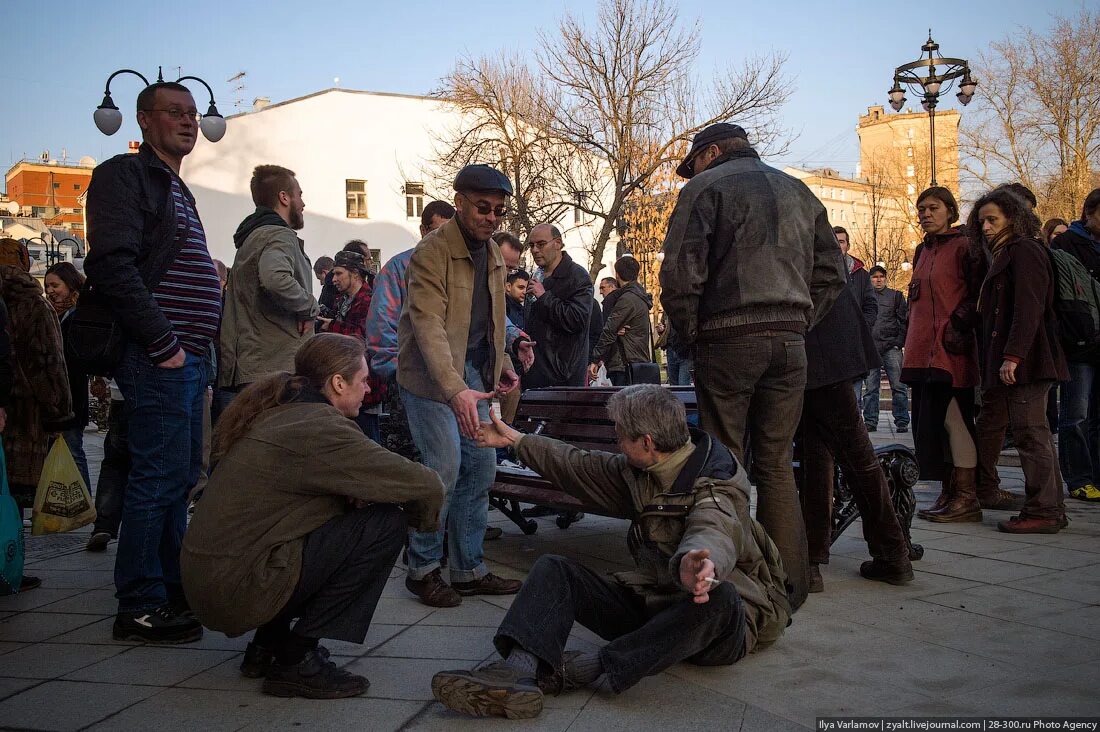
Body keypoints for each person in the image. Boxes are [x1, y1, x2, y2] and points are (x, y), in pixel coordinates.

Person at [431, 385, 791, 719]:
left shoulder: (716, 485)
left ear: (647, 442)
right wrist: (516, 440)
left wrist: (700, 559)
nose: (617, 442)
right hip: (657, 601)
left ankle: (588, 668)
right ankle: (516, 672)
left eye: (620, 435)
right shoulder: (642, 469)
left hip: (722, 627)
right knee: (555, 569)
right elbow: (579, 463)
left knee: (720, 598)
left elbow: (714, 526)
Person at [182, 334, 444, 698]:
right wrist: (418, 525)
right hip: (237, 589)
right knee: (385, 525)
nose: (368, 390)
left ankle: (266, 646)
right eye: (364, 380)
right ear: (338, 382)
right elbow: (426, 485)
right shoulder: (319, 426)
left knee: (339, 514)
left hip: (213, 582)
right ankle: (295, 659)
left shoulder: (278, 410)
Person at [659, 122, 846, 608]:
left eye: (693, 161)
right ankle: (794, 584)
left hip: (728, 340)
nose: (691, 172)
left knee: (726, 463)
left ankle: (739, 578)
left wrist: (690, 334)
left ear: (712, 152)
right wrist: (800, 319)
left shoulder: (706, 189)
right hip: (789, 343)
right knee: (777, 464)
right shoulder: (799, 192)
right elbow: (832, 273)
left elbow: (681, 276)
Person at [84, 80, 223, 643]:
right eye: (175, 112)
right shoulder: (125, 175)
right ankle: (140, 602)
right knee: (157, 477)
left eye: (193, 113)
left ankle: (167, 588)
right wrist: (163, 343)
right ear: (144, 120)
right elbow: (111, 265)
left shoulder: (176, 186)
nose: (189, 121)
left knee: (179, 478)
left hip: (189, 359)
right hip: (159, 356)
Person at [398, 164, 522, 607]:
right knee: (445, 468)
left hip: (470, 372)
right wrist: (455, 391)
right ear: (460, 204)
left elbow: (493, 321)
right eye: (483, 208)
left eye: (498, 212)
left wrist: (502, 362)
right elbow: (427, 325)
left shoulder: (492, 254)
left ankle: (468, 569)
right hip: (431, 377)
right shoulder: (431, 252)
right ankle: (423, 569)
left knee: (482, 469)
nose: (491, 217)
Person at [797, 286, 914, 592]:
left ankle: (891, 553)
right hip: (826, 343)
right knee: (820, 452)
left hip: (817, 342)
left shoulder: (801, 238)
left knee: (850, 454)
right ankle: (814, 558)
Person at [971, 187, 1069, 533]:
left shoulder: (1024, 250)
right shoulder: (1004, 253)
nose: (985, 227)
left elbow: (1029, 308)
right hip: (1019, 360)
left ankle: (1044, 510)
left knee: (1031, 433)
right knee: (1031, 432)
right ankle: (1048, 506)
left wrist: (1013, 356)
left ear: (1012, 217)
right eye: (981, 220)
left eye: (992, 219)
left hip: (1029, 361)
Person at [903, 187, 989, 525]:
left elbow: (980, 293)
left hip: (951, 351)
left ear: (950, 210)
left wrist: (959, 324)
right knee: (934, 423)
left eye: (933, 207)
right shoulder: (922, 250)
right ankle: (951, 490)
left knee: (955, 419)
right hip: (922, 351)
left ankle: (966, 496)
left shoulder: (966, 247)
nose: (925, 213)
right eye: (921, 208)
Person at [217, 164, 318, 417]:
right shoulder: (278, 236)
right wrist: (309, 306)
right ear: (284, 197)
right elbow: (275, 279)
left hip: (255, 366)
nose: (303, 203)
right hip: (274, 369)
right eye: (300, 195)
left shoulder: (252, 238)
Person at [368, 201, 455, 461]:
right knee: (415, 458)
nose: (442, 238)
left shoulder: (458, 269)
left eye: (449, 232)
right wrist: (397, 370)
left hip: (452, 379)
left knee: (452, 459)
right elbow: (381, 325)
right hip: (410, 379)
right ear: (422, 229)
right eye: (436, 230)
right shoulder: (398, 268)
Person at [1051, 188, 1100, 502]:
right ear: (1089, 213)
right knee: (1076, 415)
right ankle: (1079, 478)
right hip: (1079, 345)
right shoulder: (1066, 244)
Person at [317, 250, 381, 440]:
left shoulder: (369, 300)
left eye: (338, 273)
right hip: (348, 383)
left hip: (365, 384)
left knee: (368, 441)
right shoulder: (343, 300)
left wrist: (333, 326)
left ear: (354, 273)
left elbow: (365, 338)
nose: (334, 279)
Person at [523, 224, 594, 389]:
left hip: (562, 375)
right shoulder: (536, 275)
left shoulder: (577, 276)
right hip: (534, 370)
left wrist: (544, 297)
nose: (534, 250)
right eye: (531, 245)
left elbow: (577, 320)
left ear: (557, 243)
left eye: (540, 244)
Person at [44, 262, 91, 489]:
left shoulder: (77, 314)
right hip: (62, 396)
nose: (50, 291)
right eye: (47, 286)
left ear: (70, 285)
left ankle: (82, 504)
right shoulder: (54, 315)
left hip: (73, 395)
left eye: (55, 285)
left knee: (73, 450)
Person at [589, 256, 653, 386]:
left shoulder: (627, 299)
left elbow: (609, 330)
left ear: (617, 274)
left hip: (624, 361)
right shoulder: (639, 296)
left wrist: (595, 359)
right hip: (635, 358)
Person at [862, 265, 910, 432]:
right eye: (875, 277)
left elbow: (904, 321)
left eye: (881, 276)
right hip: (871, 348)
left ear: (886, 278)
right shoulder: (864, 298)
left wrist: (898, 342)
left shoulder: (896, 296)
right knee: (870, 389)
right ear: (870, 279)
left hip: (891, 347)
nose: (878, 279)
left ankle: (902, 421)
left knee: (898, 386)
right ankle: (870, 421)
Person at [834, 226, 877, 328]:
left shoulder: (862, 275)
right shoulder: (819, 272)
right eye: (834, 241)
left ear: (848, 246)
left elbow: (870, 305)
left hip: (854, 335)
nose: (837, 245)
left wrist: (862, 327)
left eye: (841, 242)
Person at [656, 313, 693, 386]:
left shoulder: (687, 307)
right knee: (673, 384)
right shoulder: (667, 311)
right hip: (671, 349)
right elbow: (665, 330)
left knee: (683, 384)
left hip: (685, 350)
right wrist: (661, 330)